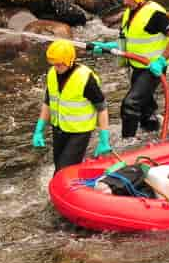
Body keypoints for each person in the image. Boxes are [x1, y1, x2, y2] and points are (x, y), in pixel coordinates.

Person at [91, 0, 169, 138]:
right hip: (138, 67)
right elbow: (128, 39)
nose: (124, 2)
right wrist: (109, 47)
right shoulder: (129, 13)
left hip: (152, 69)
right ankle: (153, 134)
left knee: (130, 105)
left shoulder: (155, 14)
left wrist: (161, 61)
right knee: (145, 110)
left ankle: (128, 144)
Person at [32, 41, 112, 171]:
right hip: (59, 129)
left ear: (69, 61)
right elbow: (48, 102)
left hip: (79, 133)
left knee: (64, 171)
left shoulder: (85, 79)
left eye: (59, 64)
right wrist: (39, 129)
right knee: (59, 167)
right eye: (53, 64)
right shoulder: (52, 74)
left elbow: (102, 108)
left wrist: (104, 139)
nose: (56, 68)